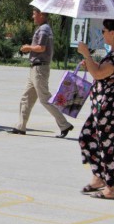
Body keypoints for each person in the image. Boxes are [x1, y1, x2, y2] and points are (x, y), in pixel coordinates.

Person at [77, 18, 114, 200]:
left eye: (104, 30)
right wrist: (90, 63)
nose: (102, 34)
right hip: (101, 109)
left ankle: (111, 188)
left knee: (109, 148)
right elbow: (99, 72)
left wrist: (87, 55)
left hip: (112, 110)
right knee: (86, 138)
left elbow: (100, 73)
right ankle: (99, 177)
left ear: (113, 32)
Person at [9, 8, 74, 137]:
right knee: (26, 97)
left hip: (40, 68)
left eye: (34, 14)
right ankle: (21, 126)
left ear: (41, 14)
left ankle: (64, 124)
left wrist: (28, 47)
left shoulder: (44, 29)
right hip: (35, 68)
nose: (33, 16)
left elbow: (41, 47)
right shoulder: (43, 28)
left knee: (45, 99)